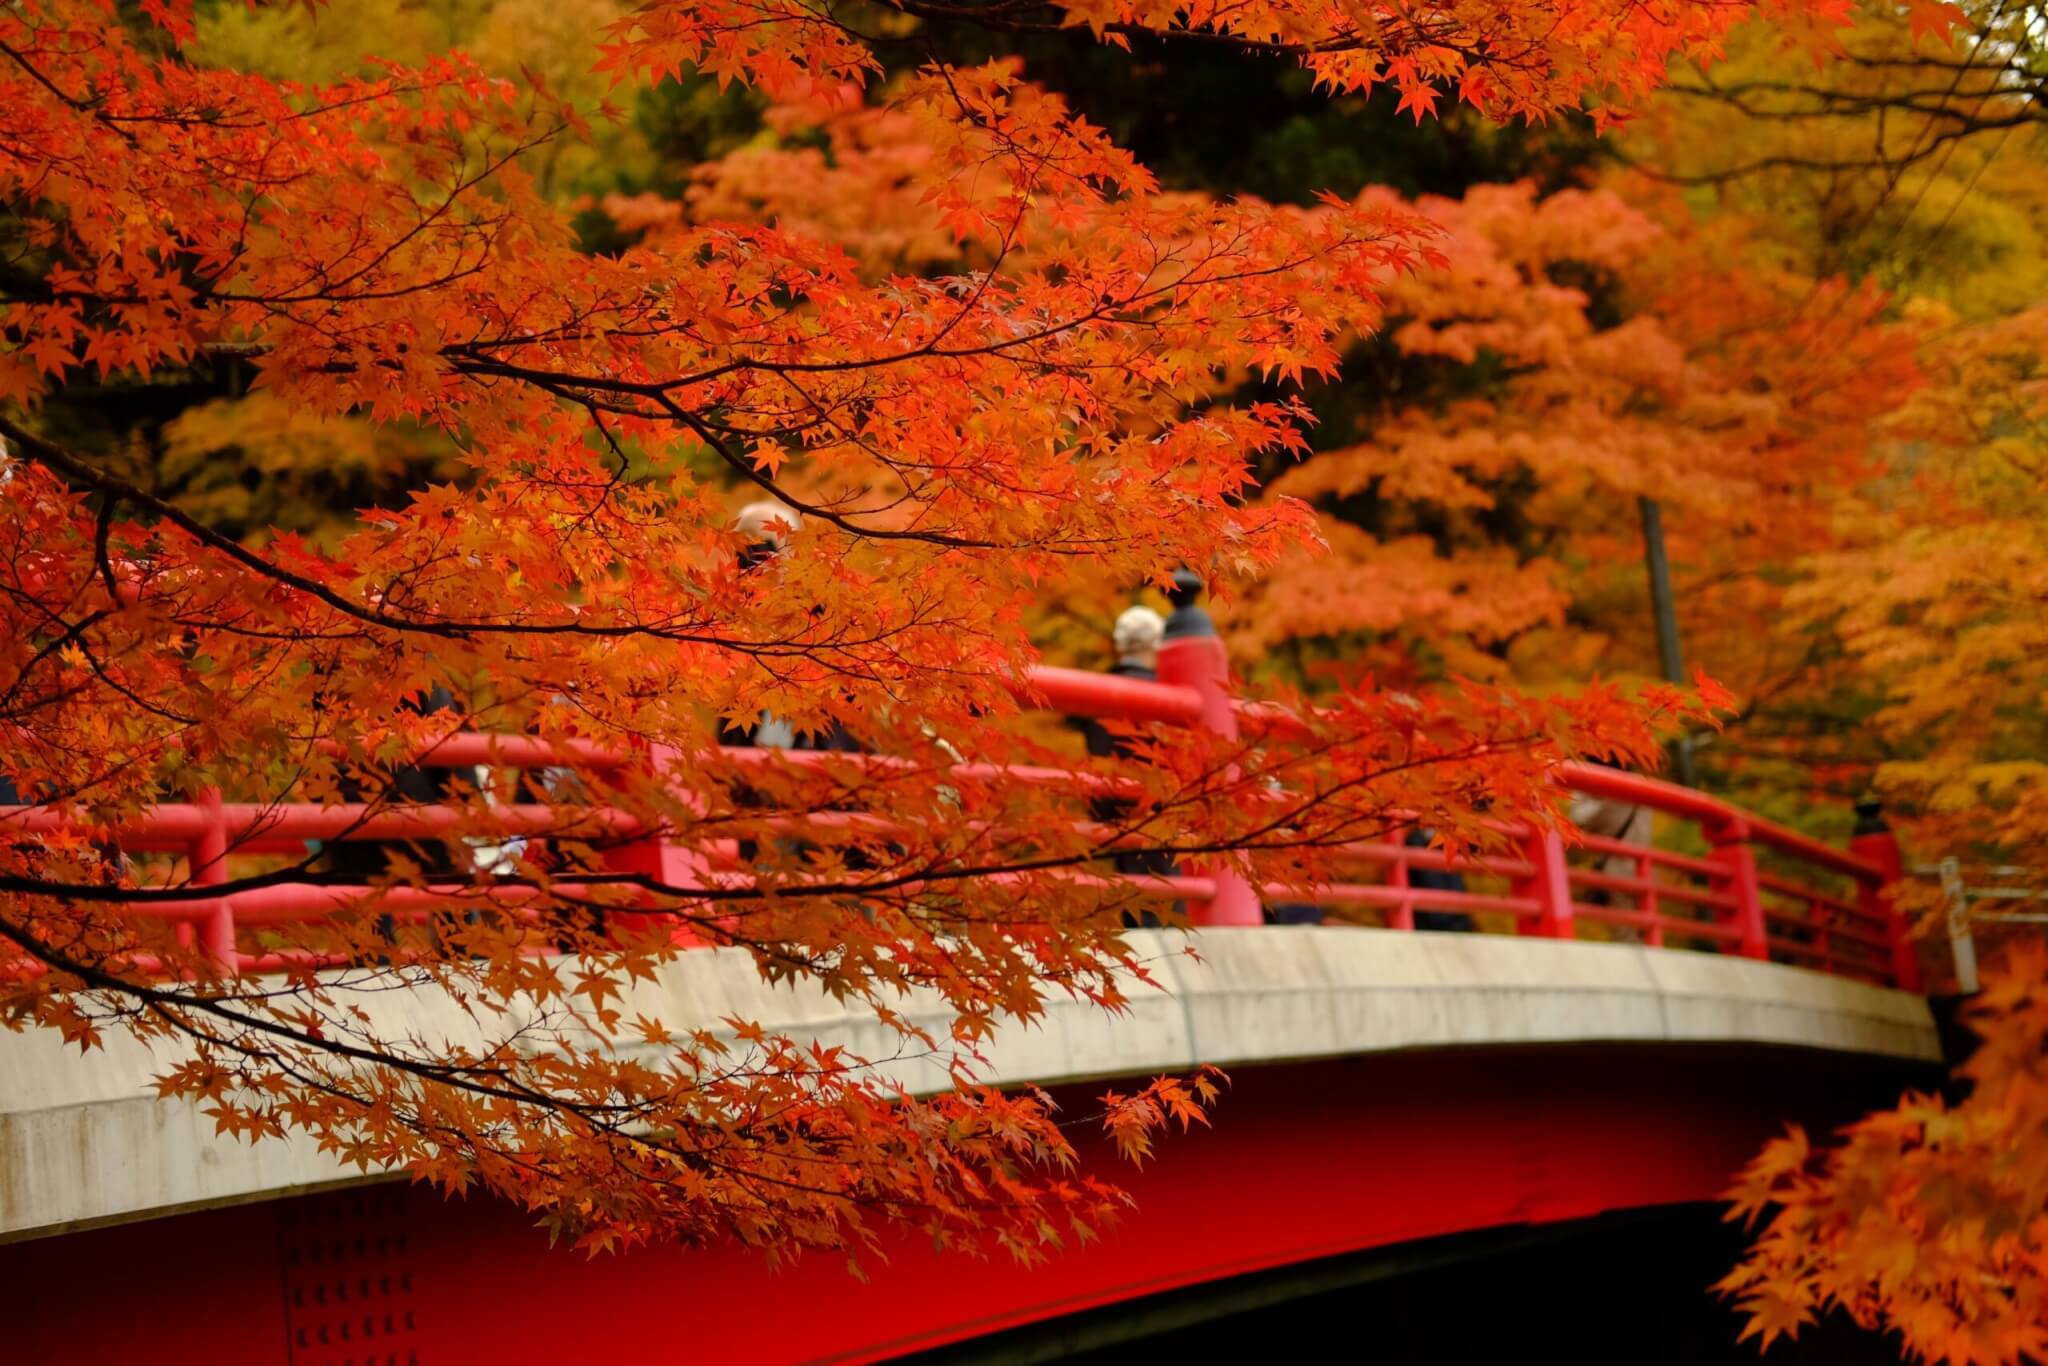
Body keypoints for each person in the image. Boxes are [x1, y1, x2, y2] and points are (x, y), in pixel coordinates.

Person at [1071, 606, 1179, 926]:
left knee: (1134, 894)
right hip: (1162, 810)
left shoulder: (1096, 691)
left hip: (1111, 807)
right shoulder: (1167, 692)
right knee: (1168, 896)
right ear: (1155, 644)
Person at [1567, 756, 1653, 943]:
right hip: (1645, 869)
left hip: (1619, 869)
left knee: (1625, 931)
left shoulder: (1613, 797)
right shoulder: (1642, 789)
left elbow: (1579, 819)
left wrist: (1581, 792)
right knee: (1645, 929)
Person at [1405, 825, 1474, 932]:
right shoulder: (1415, 838)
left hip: (1452, 914)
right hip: (1432, 916)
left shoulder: (1447, 838)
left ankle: (1456, 917)